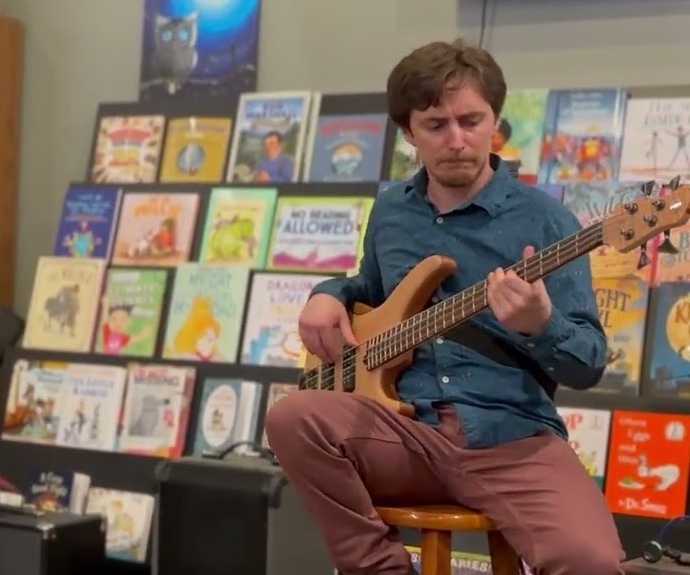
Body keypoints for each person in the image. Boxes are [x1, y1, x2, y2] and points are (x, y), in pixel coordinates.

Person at [264, 41, 624, 575]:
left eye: (471, 121)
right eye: (436, 125)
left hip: (510, 437)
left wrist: (540, 325)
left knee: (592, 562)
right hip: (403, 433)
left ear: (494, 121)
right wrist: (327, 293)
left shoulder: (546, 223)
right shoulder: (391, 212)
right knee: (291, 416)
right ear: (409, 133)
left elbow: (588, 362)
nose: (457, 141)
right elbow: (370, 288)